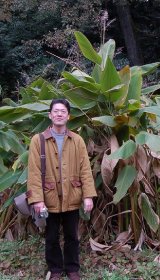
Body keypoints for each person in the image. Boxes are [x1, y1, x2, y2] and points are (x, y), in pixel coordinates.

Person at [27, 99, 97, 280]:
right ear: (50, 115)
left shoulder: (77, 140)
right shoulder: (38, 140)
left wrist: (88, 196)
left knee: (72, 236)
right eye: (56, 111)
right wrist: (37, 199)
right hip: (48, 198)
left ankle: (72, 268)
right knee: (51, 237)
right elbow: (34, 171)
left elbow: (85, 170)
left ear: (68, 116)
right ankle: (55, 269)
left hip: (72, 196)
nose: (59, 114)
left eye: (63, 111)